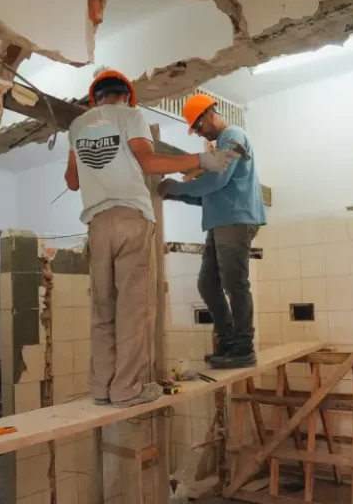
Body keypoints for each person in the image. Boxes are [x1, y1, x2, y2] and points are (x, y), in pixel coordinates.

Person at [65, 71, 236, 407]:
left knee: (103, 309)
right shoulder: (132, 116)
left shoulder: (77, 126)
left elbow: (72, 181)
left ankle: (102, 387)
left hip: (97, 224)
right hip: (131, 218)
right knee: (133, 308)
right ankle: (127, 388)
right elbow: (150, 162)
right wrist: (201, 159)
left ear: (94, 97)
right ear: (126, 96)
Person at [157, 94, 266, 369]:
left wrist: (179, 187)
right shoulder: (222, 145)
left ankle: (243, 348)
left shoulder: (233, 135)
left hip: (236, 219)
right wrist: (175, 195)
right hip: (221, 221)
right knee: (208, 284)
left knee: (235, 284)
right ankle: (229, 341)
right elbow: (207, 195)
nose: (199, 133)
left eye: (198, 126)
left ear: (208, 115)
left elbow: (216, 179)